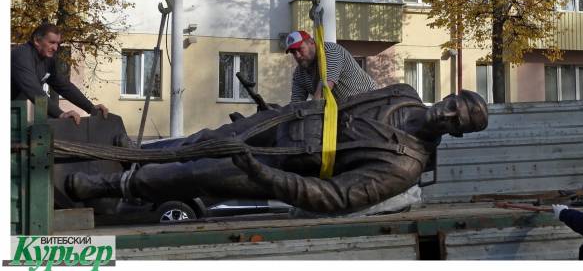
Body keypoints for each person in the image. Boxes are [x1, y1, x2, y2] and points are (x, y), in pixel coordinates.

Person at [66, 84, 488, 214]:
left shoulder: (405, 167)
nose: (446, 116)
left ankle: (102, 185)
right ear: (448, 97)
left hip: (279, 164)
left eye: (457, 123)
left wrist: (258, 172)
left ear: (458, 135)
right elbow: (338, 102)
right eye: (452, 107)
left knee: (195, 175)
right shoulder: (404, 93)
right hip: (283, 121)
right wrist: (279, 112)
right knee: (199, 141)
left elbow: (333, 197)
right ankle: (127, 156)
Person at [11, 23, 109, 126]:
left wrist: (91, 108)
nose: (55, 48)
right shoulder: (21, 55)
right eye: (52, 42)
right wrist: (60, 114)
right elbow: (33, 89)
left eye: (57, 43)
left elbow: (63, 85)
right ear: (36, 41)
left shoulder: (47, 60)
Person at [284, 30, 378, 103]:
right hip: (344, 111)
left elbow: (324, 90)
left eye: (300, 49)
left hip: (370, 102)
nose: (297, 56)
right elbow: (296, 104)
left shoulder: (330, 51)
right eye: (293, 52)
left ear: (311, 42)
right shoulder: (299, 73)